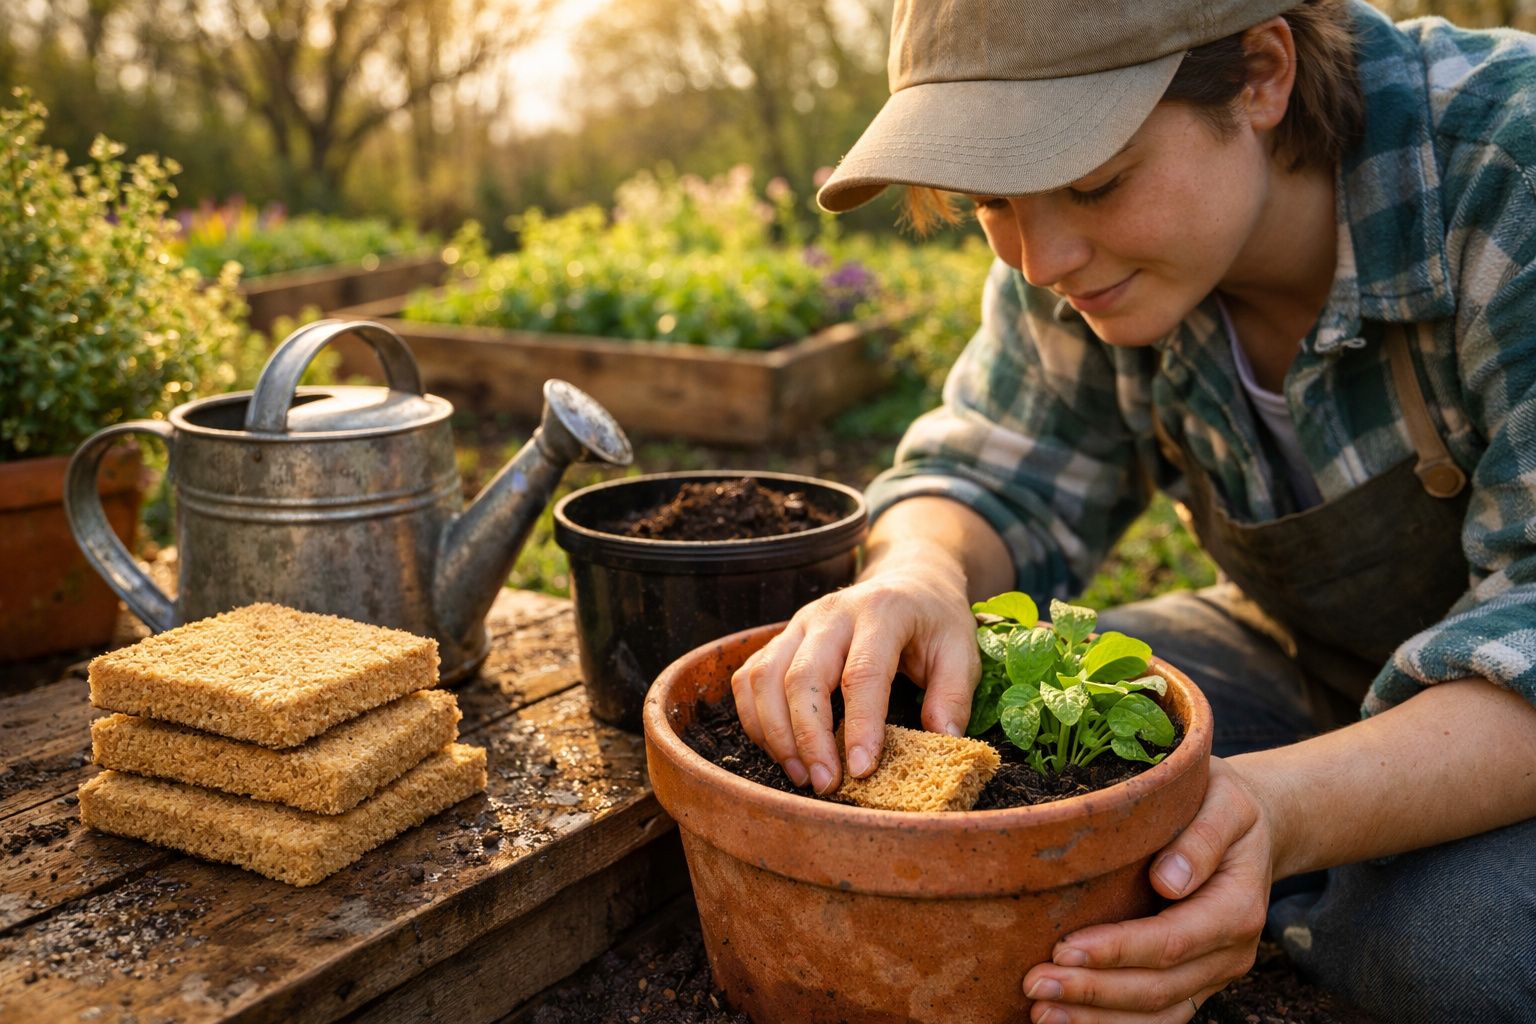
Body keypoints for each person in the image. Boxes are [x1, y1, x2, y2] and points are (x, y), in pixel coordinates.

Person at [729, 1, 1536, 1021]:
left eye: (1095, 182)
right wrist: (914, 575)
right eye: (992, 202)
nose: (1039, 259)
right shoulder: (1074, 251)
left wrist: (1273, 812)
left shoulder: (1511, 172)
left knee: (1464, 941)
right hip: (1310, 655)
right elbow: (997, 470)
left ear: (1260, 74)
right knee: (1047, 730)